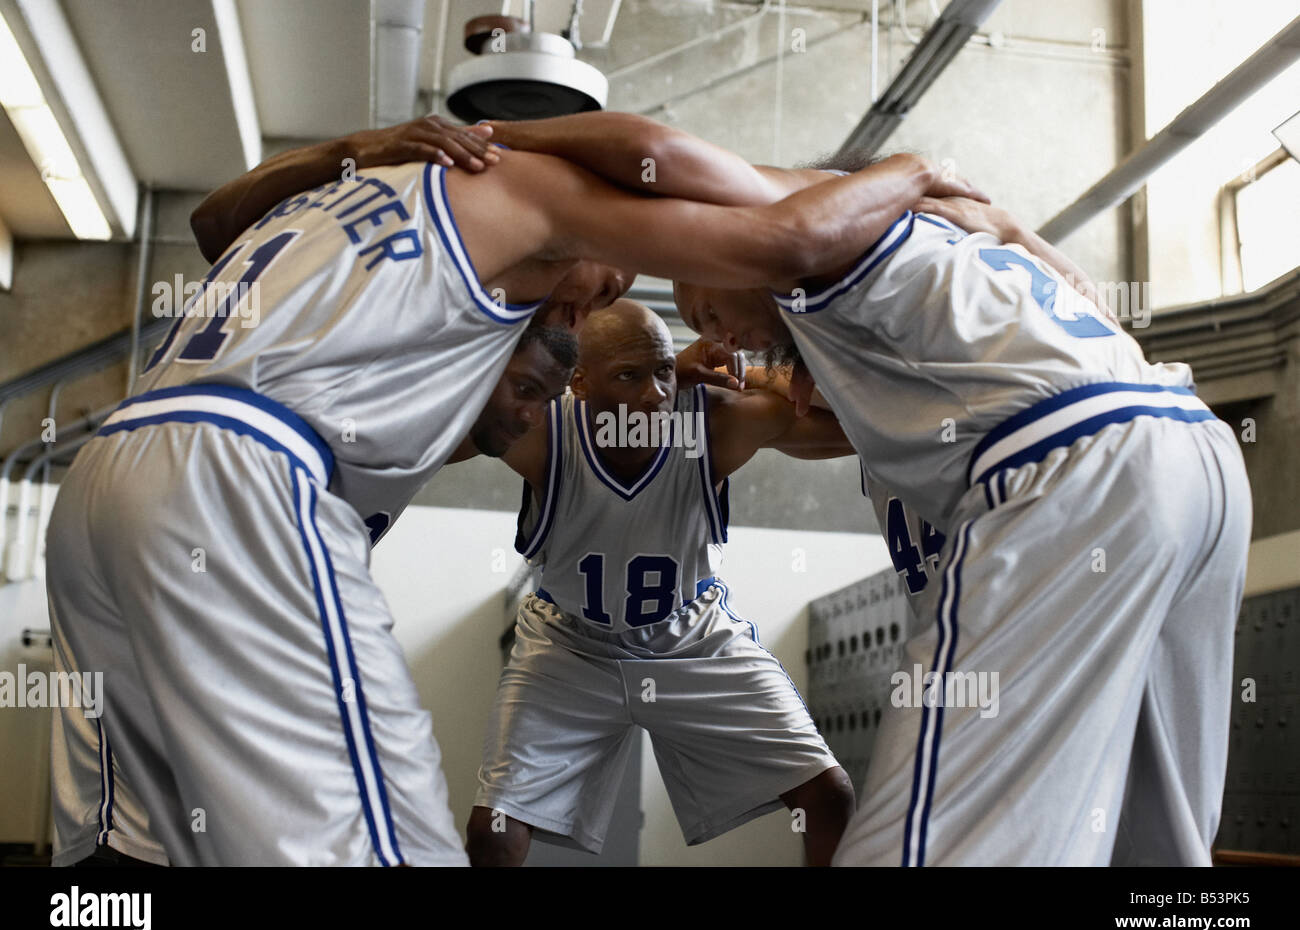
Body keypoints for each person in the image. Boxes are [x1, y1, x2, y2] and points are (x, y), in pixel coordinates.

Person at [47, 115, 982, 866]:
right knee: (390, 837)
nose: (583, 307)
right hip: (248, 480)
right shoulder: (530, 199)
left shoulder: (368, 189)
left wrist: (346, 147)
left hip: (110, 476)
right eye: (606, 278)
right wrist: (916, 172)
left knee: (131, 844)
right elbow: (777, 228)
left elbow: (216, 226)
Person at [672, 175, 1252, 866]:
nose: (731, 343)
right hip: (1158, 495)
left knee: (914, 848)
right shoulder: (898, 404)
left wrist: (996, 219)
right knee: (1154, 847)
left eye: (712, 315)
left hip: (1064, 554)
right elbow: (773, 411)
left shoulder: (906, 328)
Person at [454, 299, 855, 866]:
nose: (654, 395)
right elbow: (447, 428)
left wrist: (750, 371)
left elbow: (857, 422)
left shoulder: (712, 425)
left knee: (828, 795)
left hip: (692, 638)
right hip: (569, 648)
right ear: (580, 382)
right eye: (628, 376)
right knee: (493, 832)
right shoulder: (544, 432)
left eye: (664, 370)